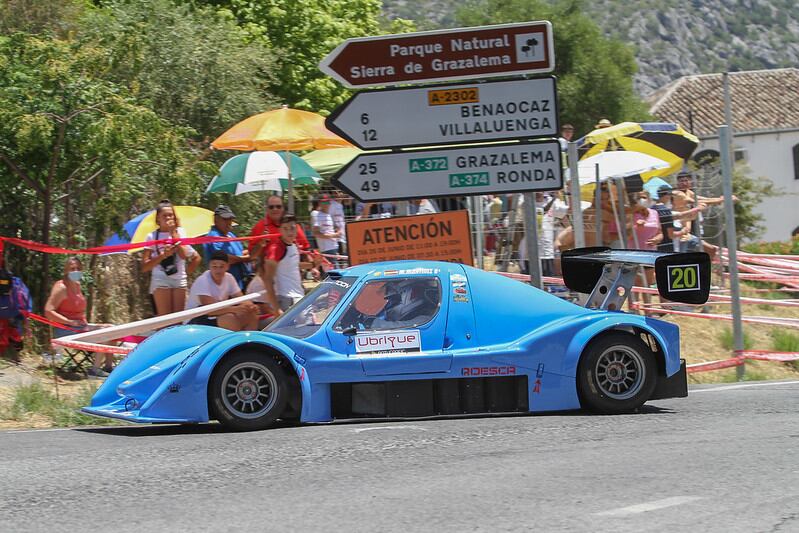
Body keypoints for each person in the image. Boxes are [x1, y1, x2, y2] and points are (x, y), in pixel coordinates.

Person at [45, 257, 113, 377]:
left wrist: (94, 326)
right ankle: (94, 370)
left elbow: (79, 315)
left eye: (78, 268)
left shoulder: (77, 285)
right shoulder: (61, 288)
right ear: (66, 271)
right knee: (104, 333)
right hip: (65, 330)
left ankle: (108, 367)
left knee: (111, 329)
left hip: (80, 327)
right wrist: (69, 322)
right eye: (72, 269)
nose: (75, 271)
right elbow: (48, 311)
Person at [141, 200, 201, 316]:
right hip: (161, 278)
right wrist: (163, 255)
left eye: (171, 215)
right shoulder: (152, 236)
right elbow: (144, 266)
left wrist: (173, 233)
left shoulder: (180, 232)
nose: (168, 218)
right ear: (158, 218)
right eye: (164, 216)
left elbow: (184, 256)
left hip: (179, 279)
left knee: (177, 320)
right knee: (165, 319)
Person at [260, 213, 319, 316]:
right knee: (309, 327)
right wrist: (276, 309)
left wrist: (313, 264)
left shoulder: (293, 244)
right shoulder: (276, 249)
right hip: (287, 299)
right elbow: (267, 279)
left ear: (296, 228)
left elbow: (293, 265)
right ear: (280, 230)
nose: (289, 231)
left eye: (292, 228)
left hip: (298, 296)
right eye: (285, 228)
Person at [186, 251, 258, 331]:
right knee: (229, 318)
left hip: (217, 314)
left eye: (221, 266)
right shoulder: (203, 281)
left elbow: (241, 298)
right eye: (214, 266)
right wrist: (235, 309)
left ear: (227, 267)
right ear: (209, 266)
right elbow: (210, 311)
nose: (218, 270)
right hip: (196, 319)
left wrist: (251, 306)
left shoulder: (229, 277)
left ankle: (249, 341)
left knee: (251, 314)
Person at [203, 205, 252, 290]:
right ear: (216, 220)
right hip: (223, 287)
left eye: (230, 219)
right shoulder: (214, 237)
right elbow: (225, 259)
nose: (228, 222)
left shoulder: (230, 235)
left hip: (238, 283)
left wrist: (252, 251)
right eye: (225, 219)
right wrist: (245, 259)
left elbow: (238, 253)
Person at [312, 193, 341, 259]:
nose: (326, 204)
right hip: (326, 249)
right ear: (319, 203)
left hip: (334, 247)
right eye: (324, 202)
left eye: (327, 202)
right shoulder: (317, 215)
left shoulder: (328, 215)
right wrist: (334, 235)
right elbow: (316, 233)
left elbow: (329, 230)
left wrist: (336, 232)